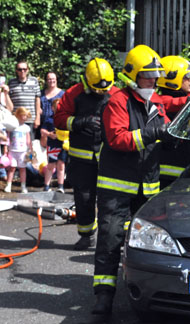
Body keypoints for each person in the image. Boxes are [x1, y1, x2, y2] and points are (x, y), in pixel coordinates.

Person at [91, 45, 184, 315]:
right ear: (132, 76)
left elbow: (165, 126)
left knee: (152, 241)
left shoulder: (155, 102)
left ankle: (153, 292)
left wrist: (171, 139)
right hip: (116, 187)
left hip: (148, 187)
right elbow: (118, 138)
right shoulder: (117, 101)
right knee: (110, 239)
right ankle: (104, 296)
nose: (153, 82)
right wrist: (154, 132)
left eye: (156, 77)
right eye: (148, 77)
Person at [54, 58, 119, 251]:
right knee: (83, 199)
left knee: (112, 201)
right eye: (97, 89)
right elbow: (59, 119)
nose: (101, 92)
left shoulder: (116, 94)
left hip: (109, 158)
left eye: (104, 89)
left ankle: (112, 239)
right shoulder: (74, 94)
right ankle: (86, 235)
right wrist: (80, 122)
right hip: (82, 160)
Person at [157, 55, 190, 188]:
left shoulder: (188, 99)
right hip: (168, 175)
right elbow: (173, 103)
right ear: (171, 79)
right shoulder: (160, 101)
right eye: (186, 78)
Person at [8, 61, 42, 137]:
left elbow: (37, 100)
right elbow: (8, 101)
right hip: (15, 120)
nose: (22, 71)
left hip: (30, 119)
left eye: (24, 69)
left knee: (29, 144)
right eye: (20, 69)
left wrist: (38, 118)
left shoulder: (34, 81)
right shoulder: (11, 82)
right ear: (16, 70)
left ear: (28, 70)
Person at [40, 98, 67, 193]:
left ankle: (61, 186)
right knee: (51, 165)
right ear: (52, 108)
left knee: (61, 165)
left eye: (60, 106)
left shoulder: (65, 118)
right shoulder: (49, 119)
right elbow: (42, 130)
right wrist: (49, 134)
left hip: (63, 145)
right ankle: (46, 186)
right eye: (56, 107)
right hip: (52, 145)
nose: (58, 108)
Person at [4, 107, 32, 193]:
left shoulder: (26, 127)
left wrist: (31, 149)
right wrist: (6, 148)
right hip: (12, 151)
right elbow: (7, 138)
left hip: (23, 151)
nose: (24, 117)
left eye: (26, 116)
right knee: (12, 168)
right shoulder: (12, 126)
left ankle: (23, 186)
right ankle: (9, 185)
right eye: (23, 115)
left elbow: (28, 140)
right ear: (18, 115)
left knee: (22, 169)